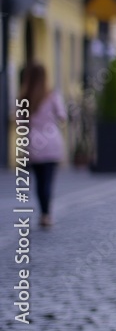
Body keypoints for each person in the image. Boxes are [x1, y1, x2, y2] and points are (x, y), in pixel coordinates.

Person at [18, 63, 66, 228]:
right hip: (52, 141)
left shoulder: (24, 98)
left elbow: (20, 123)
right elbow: (62, 116)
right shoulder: (52, 96)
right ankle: (47, 214)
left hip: (34, 143)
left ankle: (43, 214)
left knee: (39, 181)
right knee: (48, 180)